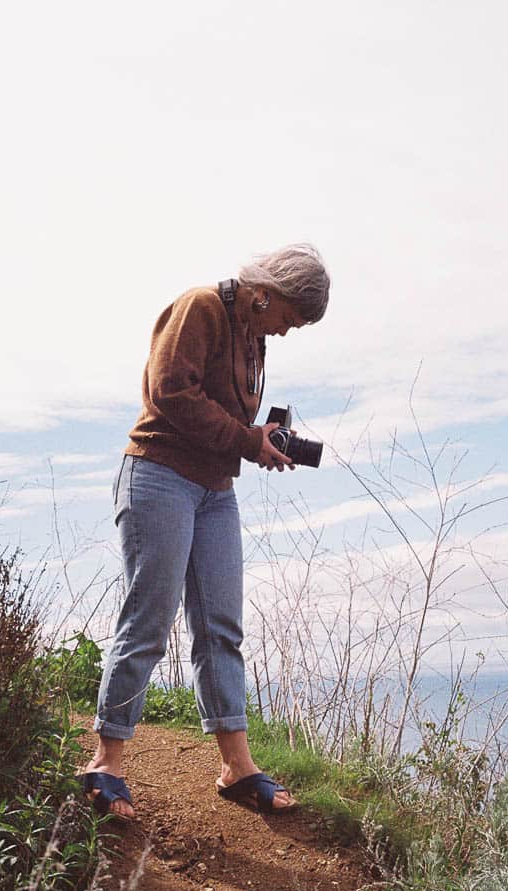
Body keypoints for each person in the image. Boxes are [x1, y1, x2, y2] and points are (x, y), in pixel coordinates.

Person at [81, 244, 330, 819]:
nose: (288, 332)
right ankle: (105, 761)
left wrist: (257, 437)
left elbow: (220, 414)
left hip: (216, 490)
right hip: (159, 475)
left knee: (221, 625)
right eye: (290, 318)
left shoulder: (252, 337)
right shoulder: (200, 307)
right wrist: (248, 441)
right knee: (148, 617)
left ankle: (236, 768)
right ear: (267, 292)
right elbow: (169, 391)